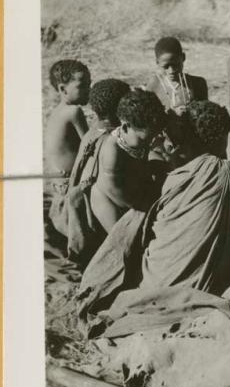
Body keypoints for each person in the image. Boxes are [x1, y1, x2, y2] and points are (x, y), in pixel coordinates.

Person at [80, 100, 230, 311]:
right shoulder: (226, 170)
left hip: (146, 287)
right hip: (188, 296)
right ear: (220, 140)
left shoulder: (166, 177)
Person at [48, 79, 133, 261]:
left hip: (77, 212)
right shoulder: (113, 143)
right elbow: (113, 189)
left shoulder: (91, 133)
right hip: (96, 219)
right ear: (121, 110)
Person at [90, 89, 166, 234]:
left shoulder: (139, 138)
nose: (149, 143)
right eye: (145, 139)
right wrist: (141, 206)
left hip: (132, 189)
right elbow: (114, 188)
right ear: (125, 127)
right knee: (123, 239)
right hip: (110, 197)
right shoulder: (112, 151)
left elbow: (148, 155)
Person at [45, 59, 91, 186]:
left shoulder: (56, 112)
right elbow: (90, 145)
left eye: (89, 84)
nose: (88, 89)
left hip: (58, 182)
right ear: (63, 89)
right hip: (71, 182)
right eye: (82, 86)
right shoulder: (74, 112)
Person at [145, 36, 208, 115]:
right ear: (157, 62)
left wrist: (191, 112)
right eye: (166, 67)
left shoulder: (197, 83)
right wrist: (171, 113)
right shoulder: (154, 84)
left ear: (183, 57)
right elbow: (148, 116)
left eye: (176, 65)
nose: (171, 71)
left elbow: (204, 115)